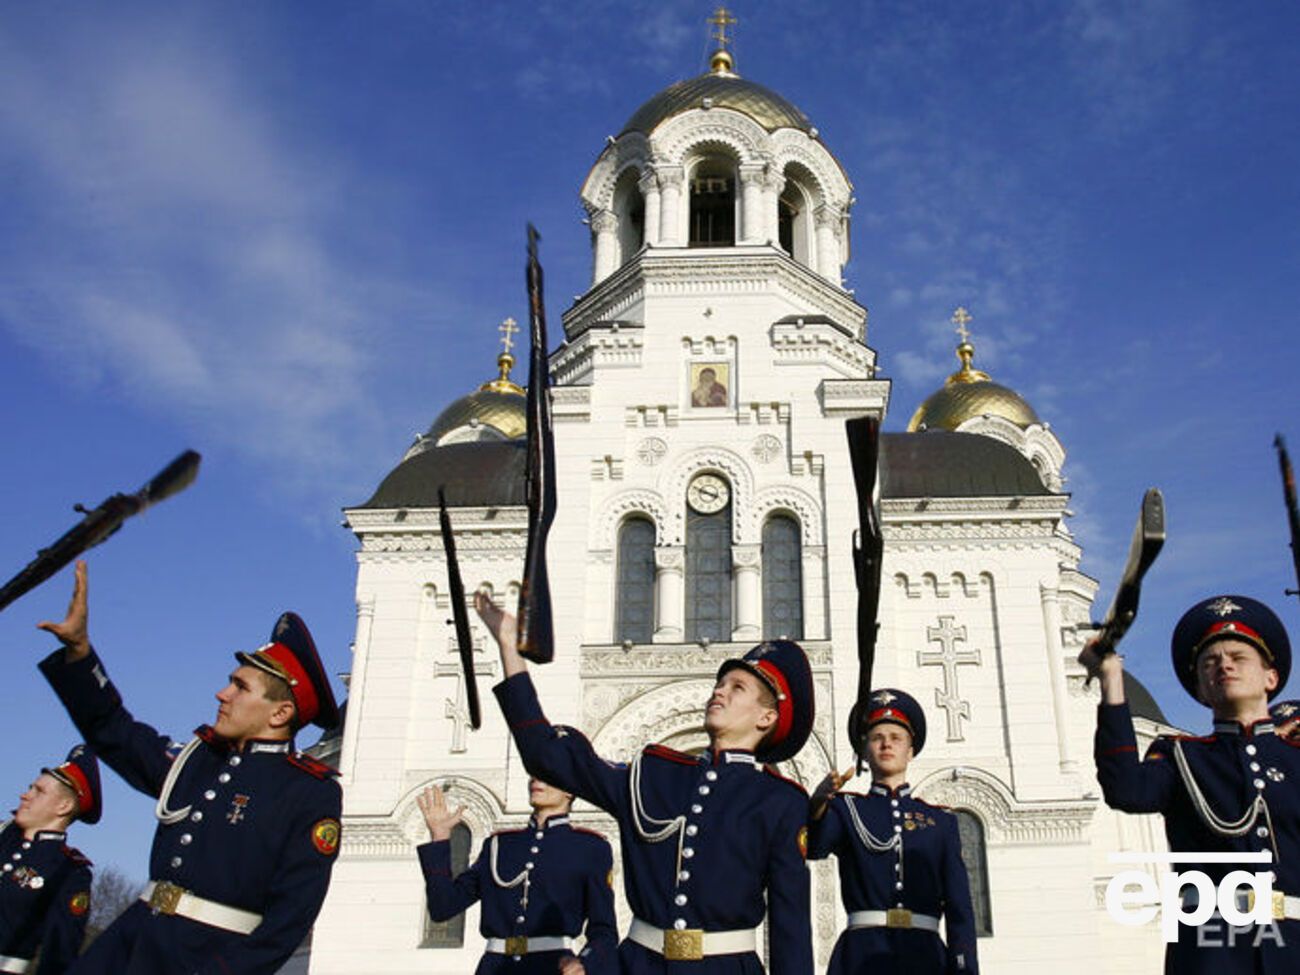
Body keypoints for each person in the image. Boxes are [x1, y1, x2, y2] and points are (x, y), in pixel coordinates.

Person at [477, 592, 814, 974]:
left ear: (767, 718)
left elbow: (791, 929)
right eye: (720, 683)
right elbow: (544, 756)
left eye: (737, 688)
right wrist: (510, 649)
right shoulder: (651, 775)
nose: (719, 690)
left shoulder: (779, 802)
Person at [34, 561, 342, 974]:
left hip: (201, 959)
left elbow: (290, 918)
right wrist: (79, 653)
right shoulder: (198, 760)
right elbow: (113, 730)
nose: (222, 693)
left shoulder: (307, 791)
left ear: (280, 712)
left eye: (240, 686)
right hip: (128, 943)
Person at [1081, 594, 1300, 973]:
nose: (1224, 666)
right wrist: (1111, 681)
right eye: (1210, 662)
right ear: (1200, 688)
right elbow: (1126, 790)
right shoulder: (1181, 757)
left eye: (1238, 657)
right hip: (1212, 947)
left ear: (1271, 677)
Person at [807, 689, 978, 974]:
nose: (886, 744)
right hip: (862, 954)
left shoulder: (940, 820)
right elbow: (815, 846)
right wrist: (817, 805)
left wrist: (964, 966)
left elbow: (960, 906)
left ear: (910, 751)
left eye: (896, 738)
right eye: (877, 738)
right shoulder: (847, 810)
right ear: (864, 751)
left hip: (926, 956)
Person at [417, 775, 616, 974]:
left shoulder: (590, 848)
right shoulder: (499, 845)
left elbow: (604, 930)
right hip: (495, 967)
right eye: (533, 775)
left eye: (546, 775)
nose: (536, 780)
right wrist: (440, 836)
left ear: (569, 791)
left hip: (552, 967)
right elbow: (443, 907)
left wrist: (585, 963)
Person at [1, 746, 100, 975]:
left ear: (63, 806)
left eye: (39, 791)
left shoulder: (69, 871)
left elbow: (60, 953)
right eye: (30, 788)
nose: (25, 795)